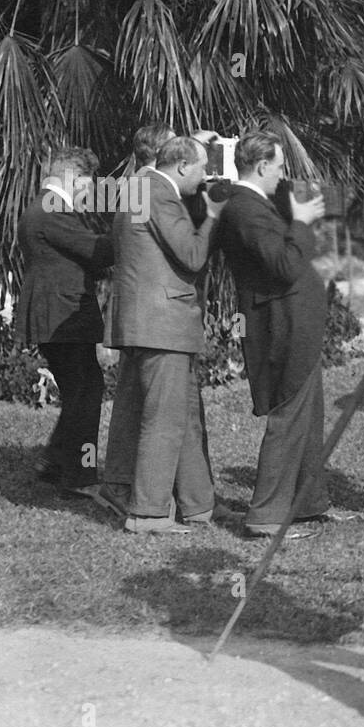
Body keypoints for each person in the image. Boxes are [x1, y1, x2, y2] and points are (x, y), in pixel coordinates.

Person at [100, 136, 226, 533]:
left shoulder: (137, 186)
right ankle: (148, 513)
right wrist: (213, 214)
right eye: (203, 168)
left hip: (146, 321)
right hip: (163, 323)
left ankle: (198, 505)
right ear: (183, 166)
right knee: (164, 419)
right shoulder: (158, 192)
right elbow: (191, 254)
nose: (206, 176)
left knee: (183, 415)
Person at [217, 131, 335, 539]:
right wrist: (301, 224)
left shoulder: (256, 203)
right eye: (280, 166)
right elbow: (283, 265)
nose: (283, 174)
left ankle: (308, 502)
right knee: (289, 414)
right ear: (262, 165)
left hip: (293, 319)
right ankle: (266, 514)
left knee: (308, 412)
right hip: (282, 323)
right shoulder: (244, 208)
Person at [13, 146, 114, 499]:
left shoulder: (47, 208)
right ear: (73, 177)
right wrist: (132, 224)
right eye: (88, 183)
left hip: (59, 313)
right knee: (85, 391)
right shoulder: (52, 211)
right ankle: (79, 476)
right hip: (61, 315)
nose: (91, 192)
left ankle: (56, 462)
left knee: (82, 390)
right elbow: (99, 252)